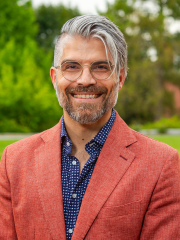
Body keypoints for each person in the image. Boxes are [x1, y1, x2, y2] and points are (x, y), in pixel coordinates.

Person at [0, 15, 180, 240]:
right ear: (55, 78)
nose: (85, 80)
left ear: (120, 77)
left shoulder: (161, 165)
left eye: (101, 67)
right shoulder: (13, 161)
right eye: (72, 66)